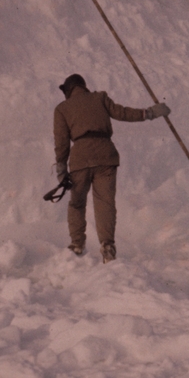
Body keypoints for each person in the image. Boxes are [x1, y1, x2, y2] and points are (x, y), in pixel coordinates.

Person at [53, 74, 170, 263]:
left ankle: (76, 244)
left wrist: (61, 168)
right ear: (83, 86)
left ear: (68, 90)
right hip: (105, 156)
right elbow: (122, 113)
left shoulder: (62, 109)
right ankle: (108, 246)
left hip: (80, 160)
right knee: (104, 204)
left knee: (77, 203)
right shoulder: (99, 98)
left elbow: (61, 142)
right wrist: (150, 113)